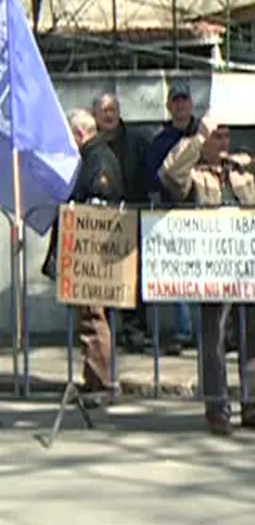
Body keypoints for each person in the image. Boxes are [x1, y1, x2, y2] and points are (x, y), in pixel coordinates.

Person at [160, 113, 255, 435]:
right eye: (217, 136)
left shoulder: (241, 169)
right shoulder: (193, 172)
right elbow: (169, 175)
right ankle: (216, 406)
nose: (224, 142)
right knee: (214, 336)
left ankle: (254, 404)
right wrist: (198, 139)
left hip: (250, 263)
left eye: (227, 136)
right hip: (213, 267)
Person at [43, 109, 125, 396]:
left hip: (93, 252)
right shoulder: (93, 155)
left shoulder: (97, 158)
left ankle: (101, 382)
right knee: (90, 317)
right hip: (90, 252)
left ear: (80, 133)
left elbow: (98, 202)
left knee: (93, 316)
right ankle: (95, 378)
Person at [93, 93, 151, 353]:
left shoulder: (137, 141)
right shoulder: (90, 144)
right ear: (95, 115)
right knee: (103, 278)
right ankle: (104, 335)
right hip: (99, 222)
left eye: (113, 109)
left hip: (131, 216)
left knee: (133, 279)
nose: (109, 114)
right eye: (104, 109)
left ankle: (135, 334)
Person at [145, 80, 198, 355]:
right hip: (171, 213)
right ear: (169, 105)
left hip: (202, 212)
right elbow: (152, 178)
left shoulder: (204, 134)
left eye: (184, 99)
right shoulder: (160, 141)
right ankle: (184, 330)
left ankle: (212, 331)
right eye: (175, 100)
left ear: (191, 103)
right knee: (178, 274)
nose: (180, 105)